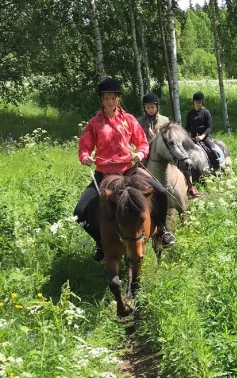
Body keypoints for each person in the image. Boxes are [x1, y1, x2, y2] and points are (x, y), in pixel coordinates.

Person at [74, 77, 176, 262]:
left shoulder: (129, 120)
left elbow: (142, 142)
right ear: (101, 100)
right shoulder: (94, 123)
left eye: (113, 98)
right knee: (80, 212)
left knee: (160, 192)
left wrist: (140, 153)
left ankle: (162, 230)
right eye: (106, 98)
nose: (110, 102)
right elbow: (84, 147)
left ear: (119, 99)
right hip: (104, 174)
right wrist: (85, 157)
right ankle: (100, 242)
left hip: (129, 171)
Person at [185, 91, 225, 171]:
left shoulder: (206, 113)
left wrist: (202, 136)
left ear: (202, 103)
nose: (197, 104)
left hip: (205, 136)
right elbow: (187, 127)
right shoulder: (190, 114)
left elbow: (209, 127)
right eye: (196, 102)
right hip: (193, 137)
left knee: (212, 149)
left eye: (199, 103)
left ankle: (217, 166)